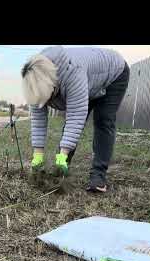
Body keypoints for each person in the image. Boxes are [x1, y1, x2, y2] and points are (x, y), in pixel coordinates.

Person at [21, 45, 130, 193]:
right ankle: (62, 168)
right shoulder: (34, 83)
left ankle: (98, 175)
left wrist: (63, 155)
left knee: (103, 119)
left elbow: (75, 118)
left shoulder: (72, 73)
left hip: (113, 74)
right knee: (75, 125)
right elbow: (38, 122)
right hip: (88, 78)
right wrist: (37, 155)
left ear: (53, 86)